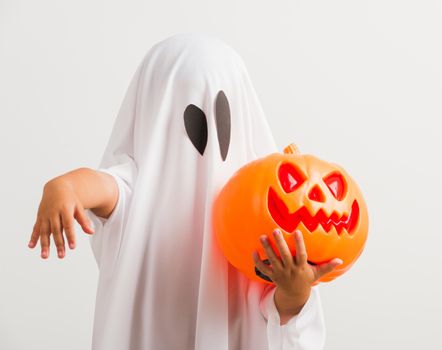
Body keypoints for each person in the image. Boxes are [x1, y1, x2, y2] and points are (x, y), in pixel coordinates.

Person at [28, 32, 342, 350]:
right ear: (155, 115)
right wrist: (64, 187)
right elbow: (99, 186)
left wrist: (296, 291)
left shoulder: (262, 215)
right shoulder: (137, 193)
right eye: (188, 114)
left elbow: (280, 315)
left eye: (222, 114)